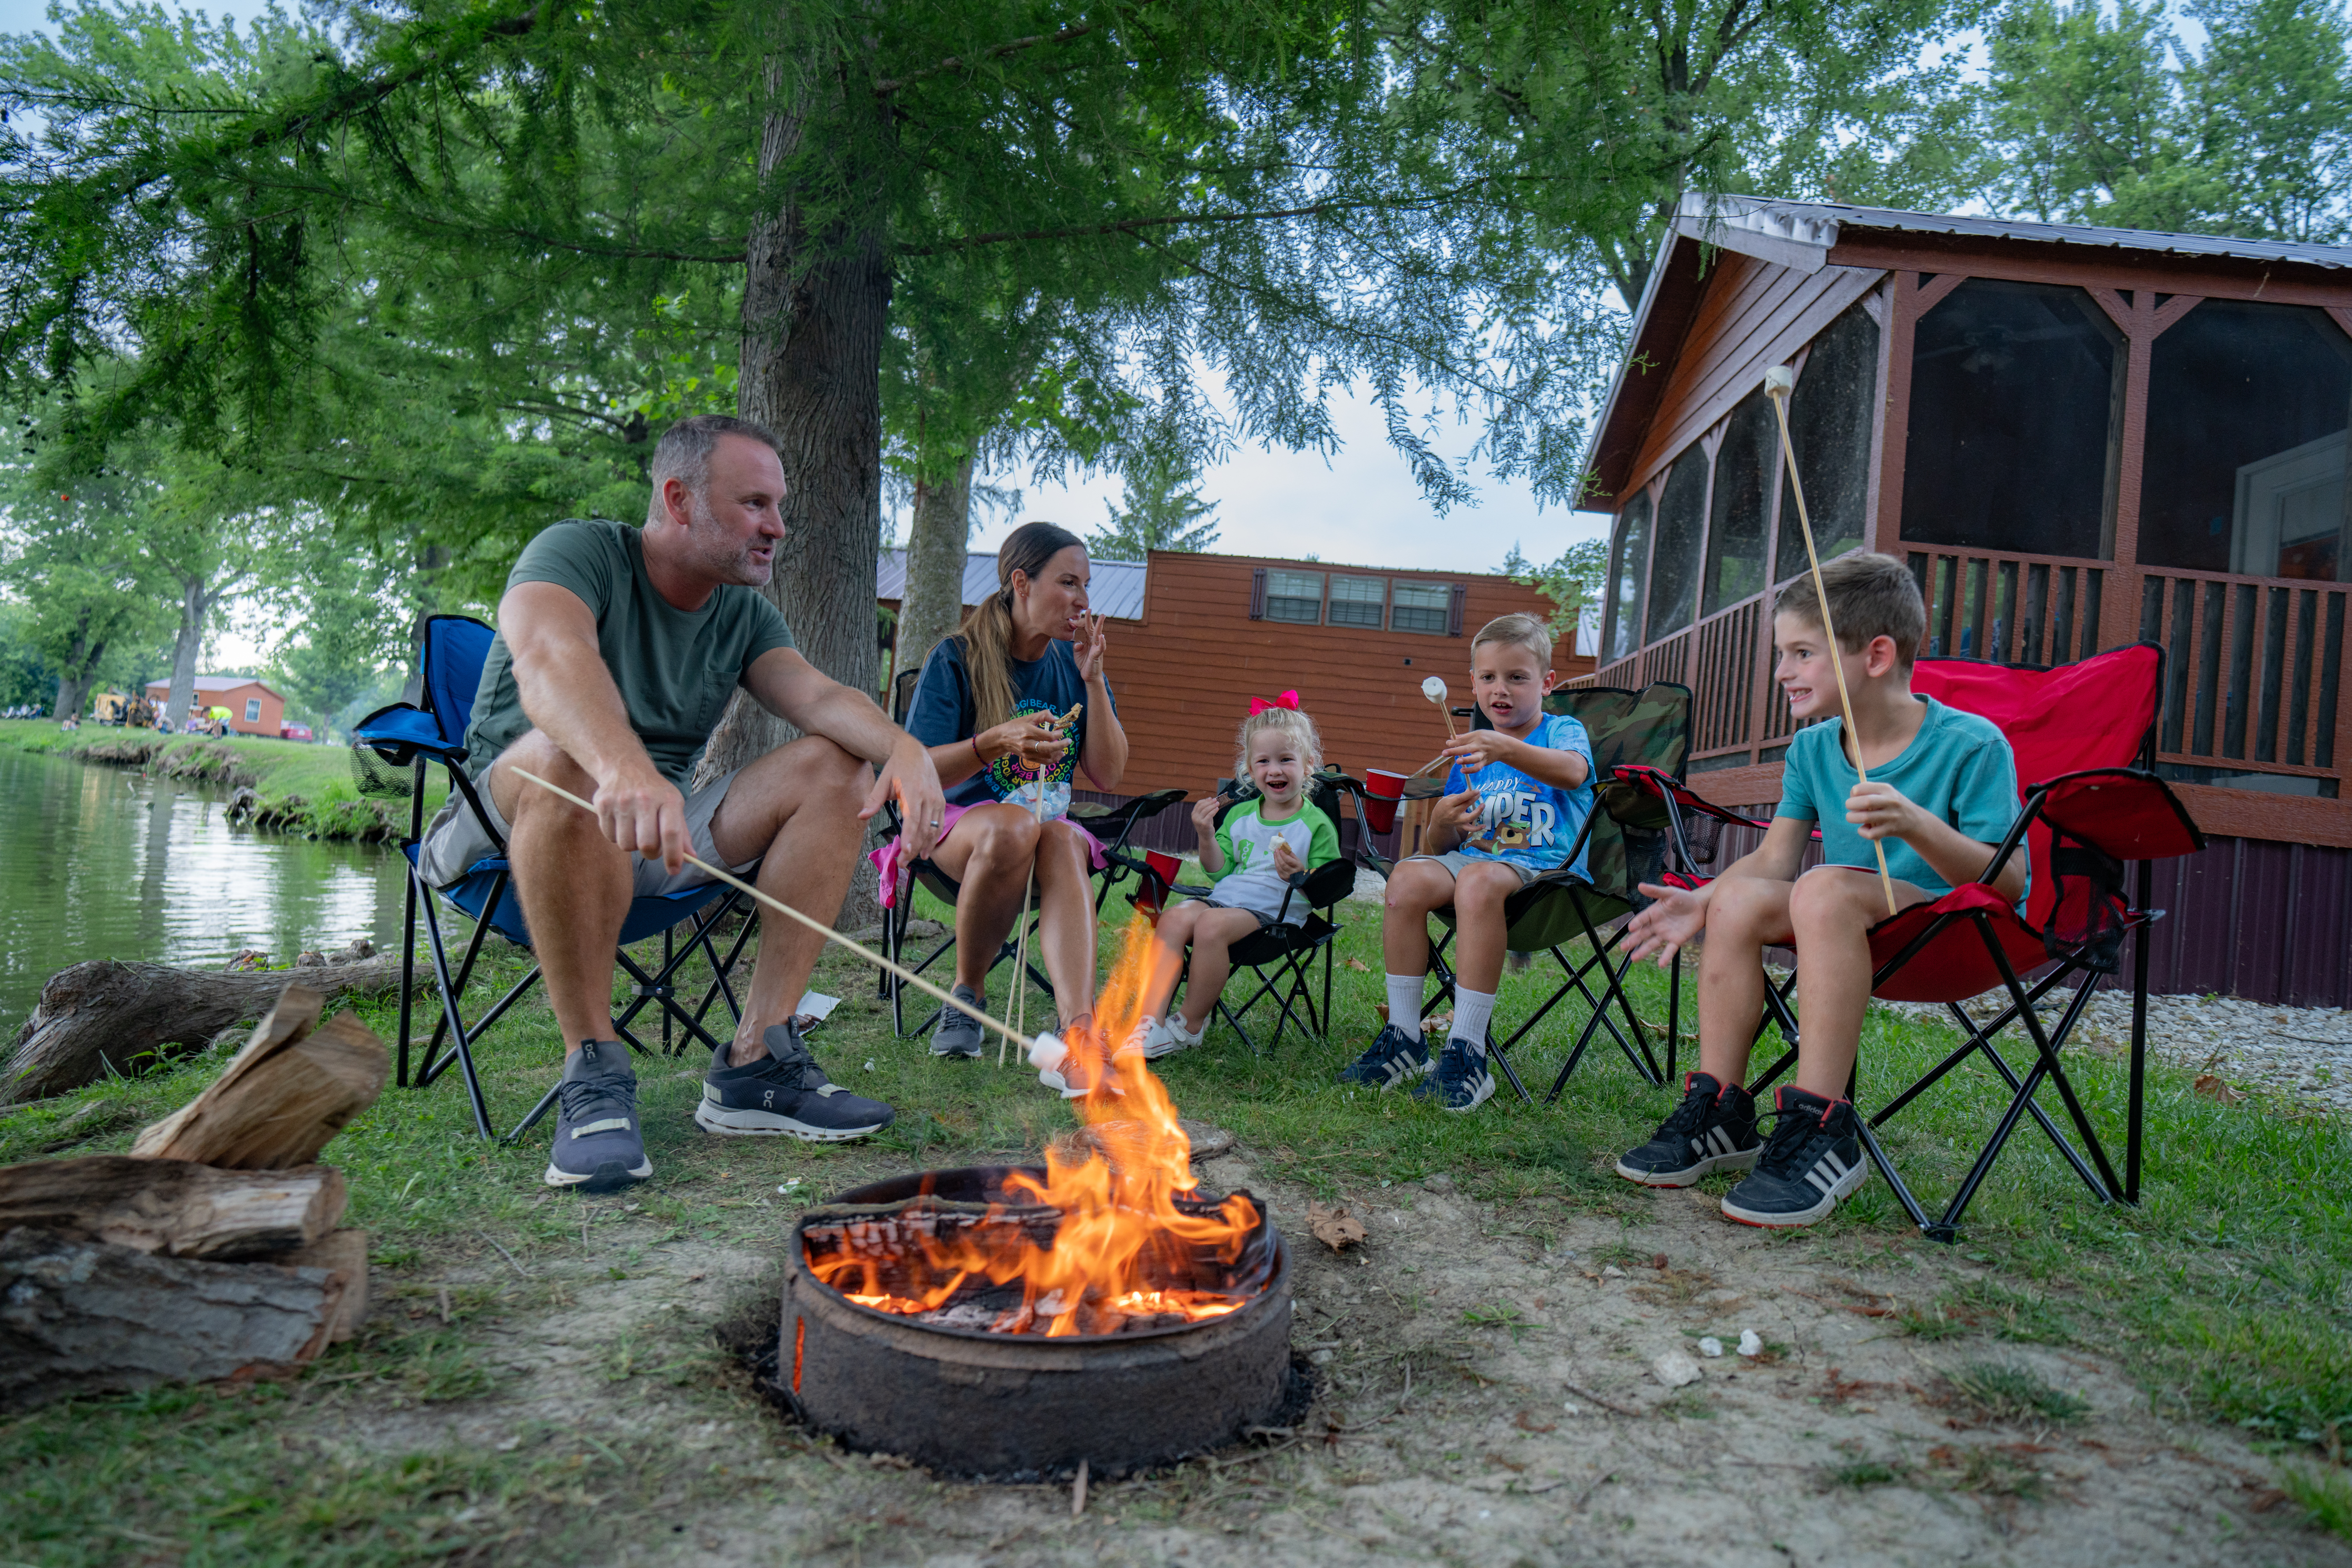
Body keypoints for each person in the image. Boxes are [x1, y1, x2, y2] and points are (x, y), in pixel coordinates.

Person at [414, 414, 945, 1194]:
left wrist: (903, 747)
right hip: (510, 818)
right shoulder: (577, 552)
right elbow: (549, 659)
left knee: (836, 767)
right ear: (680, 499)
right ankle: (592, 1070)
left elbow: (816, 695)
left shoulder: (741, 611)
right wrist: (620, 765)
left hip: (655, 832)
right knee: (571, 762)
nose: (778, 527)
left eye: (779, 506)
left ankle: (757, 1061)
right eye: (755, 504)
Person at [1612, 553, 2025, 1228]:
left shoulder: (1972, 745)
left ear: (1876, 654)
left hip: (1949, 927)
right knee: (1747, 898)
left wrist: (1915, 824)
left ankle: (1820, 1122)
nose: (1781, 672)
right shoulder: (1811, 749)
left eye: (1800, 653)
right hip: (1840, 919)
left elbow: (2006, 881)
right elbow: (1774, 858)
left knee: (1826, 885)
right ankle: (1721, 1109)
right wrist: (1706, 895)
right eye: (1782, 653)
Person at [895, 521, 1128, 1096]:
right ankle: (967, 997)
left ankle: (1080, 1030)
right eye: (1068, 582)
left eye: (1087, 586)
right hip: (955, 830)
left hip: (1042, 835)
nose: (1081, 600)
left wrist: (1094, 683)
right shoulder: (957, 658)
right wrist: (996, 742)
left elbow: (1109, 772)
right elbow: (915, 768)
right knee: (1014, 827)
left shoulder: (1072, 669)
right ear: (1021, 582)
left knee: (1060, 835)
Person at [1340, 613, 1593, 1112]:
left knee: (1476, 880)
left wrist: (1505, 747)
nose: (1502, 689)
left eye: (1517, 677)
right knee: (1408, 877)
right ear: (1473, 682)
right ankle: (1404, 1037)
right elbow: (1444, 847)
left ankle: (1468, 1050)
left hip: (1546, 868)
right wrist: (1440, 820)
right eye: (1489, 677)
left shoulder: (1562, 731)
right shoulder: (1469, 757)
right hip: (1478, 862)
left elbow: (1574, 773)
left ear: (1546, 683)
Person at [1131, 697, 1342, 1058]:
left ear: (1308, 766)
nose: (1274, 770)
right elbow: (1219, 870)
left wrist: (1301, 875)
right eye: (1263, 761)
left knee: (1211, 924)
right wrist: (1206, 834)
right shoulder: (1240, 815)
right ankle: (1149, 1024)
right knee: (1175, 917)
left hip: (1277, 912)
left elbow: (1329, 884)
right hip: (1228, 900)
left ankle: (1189, 1025)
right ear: (1249, 769)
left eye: (1285, 760)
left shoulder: (1314, 823)